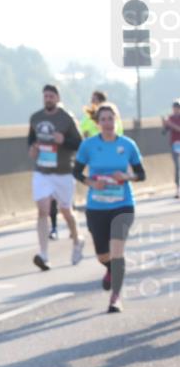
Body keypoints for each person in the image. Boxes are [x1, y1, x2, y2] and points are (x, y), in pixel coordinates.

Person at [73, 103, 146, 313]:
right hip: (97, 206)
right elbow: (76, 172)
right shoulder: (88, 146)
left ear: (117, 120)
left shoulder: (128, 145)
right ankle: (110, 270)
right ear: (97, 123)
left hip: (122, 205)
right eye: (103, 119)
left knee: (117, 252)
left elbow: (142, 175)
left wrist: (127, 177)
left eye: (110, 119)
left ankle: (115, 298)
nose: (107, 123)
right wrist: (91, 183)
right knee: (102, 255)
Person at [27, 84, 85, 271]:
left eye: (51, 96)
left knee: (66, 211)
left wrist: (64, 141)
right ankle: (44, 255)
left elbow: (79, 144)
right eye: (45, 96)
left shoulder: (66, 118)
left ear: (58, 98)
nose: (48, 99)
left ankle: (77, 240)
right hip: (42, 171)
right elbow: (31, 138)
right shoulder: (36, 118)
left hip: (63, 171)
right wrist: (32, 149)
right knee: (42, 210)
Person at [55, 90, 124, 239]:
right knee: (96, 188)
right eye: (91, 100)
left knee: (112, 192)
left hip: (111, 157)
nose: (92, 102)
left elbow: (121, 138)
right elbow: (81, 135)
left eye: (95, 100)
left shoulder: (114, 118)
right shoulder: (87, 119)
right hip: (95, 158)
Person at [162, 99, 180, 199]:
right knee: (177, 167)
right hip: (174, 145)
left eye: (177, 108)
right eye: (174, 108)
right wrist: (165, 123)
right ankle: (177, 189)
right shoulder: (170, 118)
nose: (176, 110)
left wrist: (171, 124)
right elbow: (164, 131)